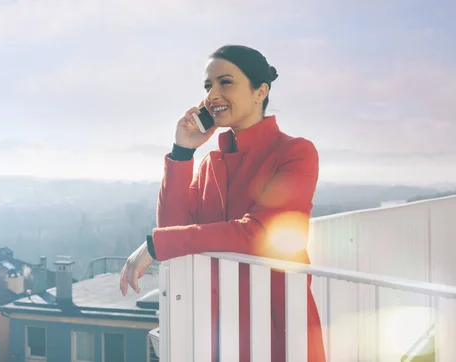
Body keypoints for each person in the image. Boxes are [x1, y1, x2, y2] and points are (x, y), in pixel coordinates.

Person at [119, 44, 326, 361]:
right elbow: (173, 227)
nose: (212, 95)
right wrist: (182, 152)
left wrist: (156, 244)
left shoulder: (296, 153)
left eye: (225, 82)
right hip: (215, 328)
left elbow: (261, 234)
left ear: (260, 91)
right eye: (207, 86)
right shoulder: (209, 162)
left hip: (276, 324)